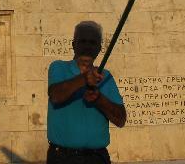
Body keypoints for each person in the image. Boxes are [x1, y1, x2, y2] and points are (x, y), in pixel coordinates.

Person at [47, 21, 126, 163]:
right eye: (82, 41)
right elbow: (55, 95)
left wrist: (99, 100)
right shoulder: (58, 67)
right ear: (73, 45)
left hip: (97, 157)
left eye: (92, 42)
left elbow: (121, 119)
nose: (87, 46)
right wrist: (84, 79)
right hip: (62, 157)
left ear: (99, 48)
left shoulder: (106, 76)